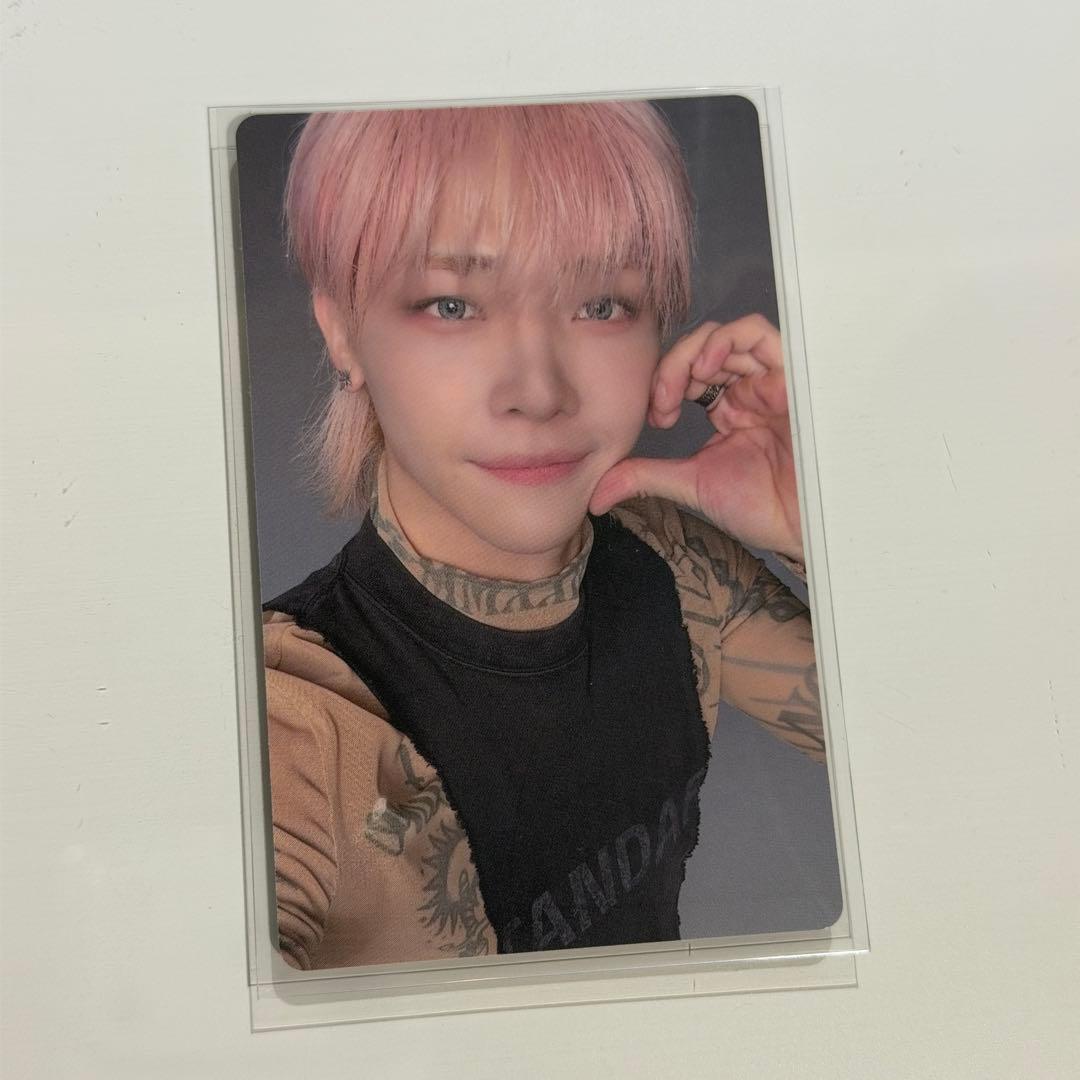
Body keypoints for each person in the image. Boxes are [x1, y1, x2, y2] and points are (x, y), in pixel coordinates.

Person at [260, 100, 825, 970]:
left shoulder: (668, 561)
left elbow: (957, 754)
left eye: (600, 303)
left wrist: (815, 517)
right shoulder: (293, 720)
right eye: (452, 304)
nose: (538, 391)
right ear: (341, 330)